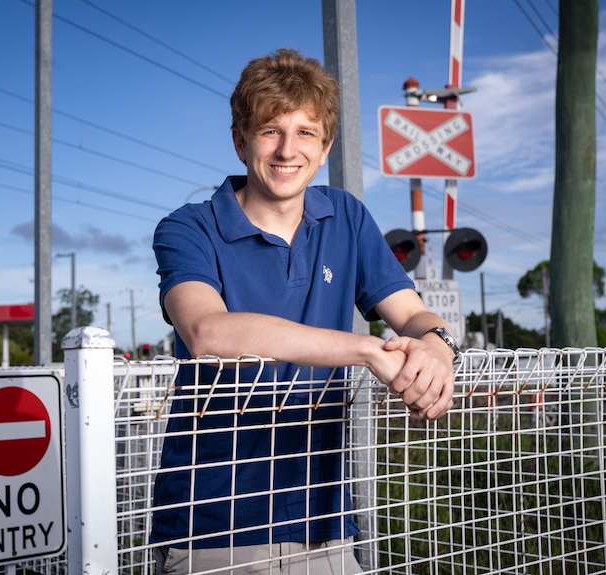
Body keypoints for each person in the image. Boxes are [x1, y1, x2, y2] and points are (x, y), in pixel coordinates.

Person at [151, 48, 458, 574]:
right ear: (239, 140)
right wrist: (365, 349)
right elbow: (207, 332)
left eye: (306, 133)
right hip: (215, 524)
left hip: (325, 521)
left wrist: (436, 348)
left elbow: (411, 314)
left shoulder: (347, 218)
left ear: (326, 147)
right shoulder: (188, 227)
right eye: (270, 130)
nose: (287, 150)